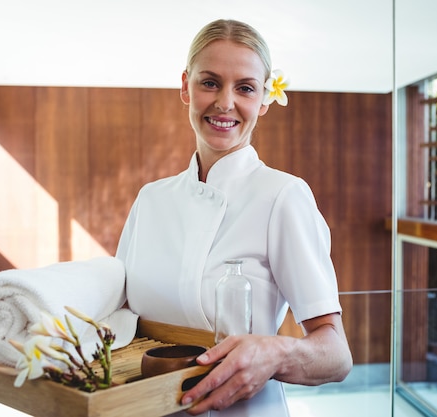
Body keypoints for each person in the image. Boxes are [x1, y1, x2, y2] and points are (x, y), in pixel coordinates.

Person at [115, 18, 352, 416]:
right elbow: (118, 315)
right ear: (185, 87)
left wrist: (276, 354)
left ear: (262, 100)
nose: (225, 103)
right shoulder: (151, 199)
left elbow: (336, 355)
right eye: (210, 82)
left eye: (245, 88)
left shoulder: (282, 196)